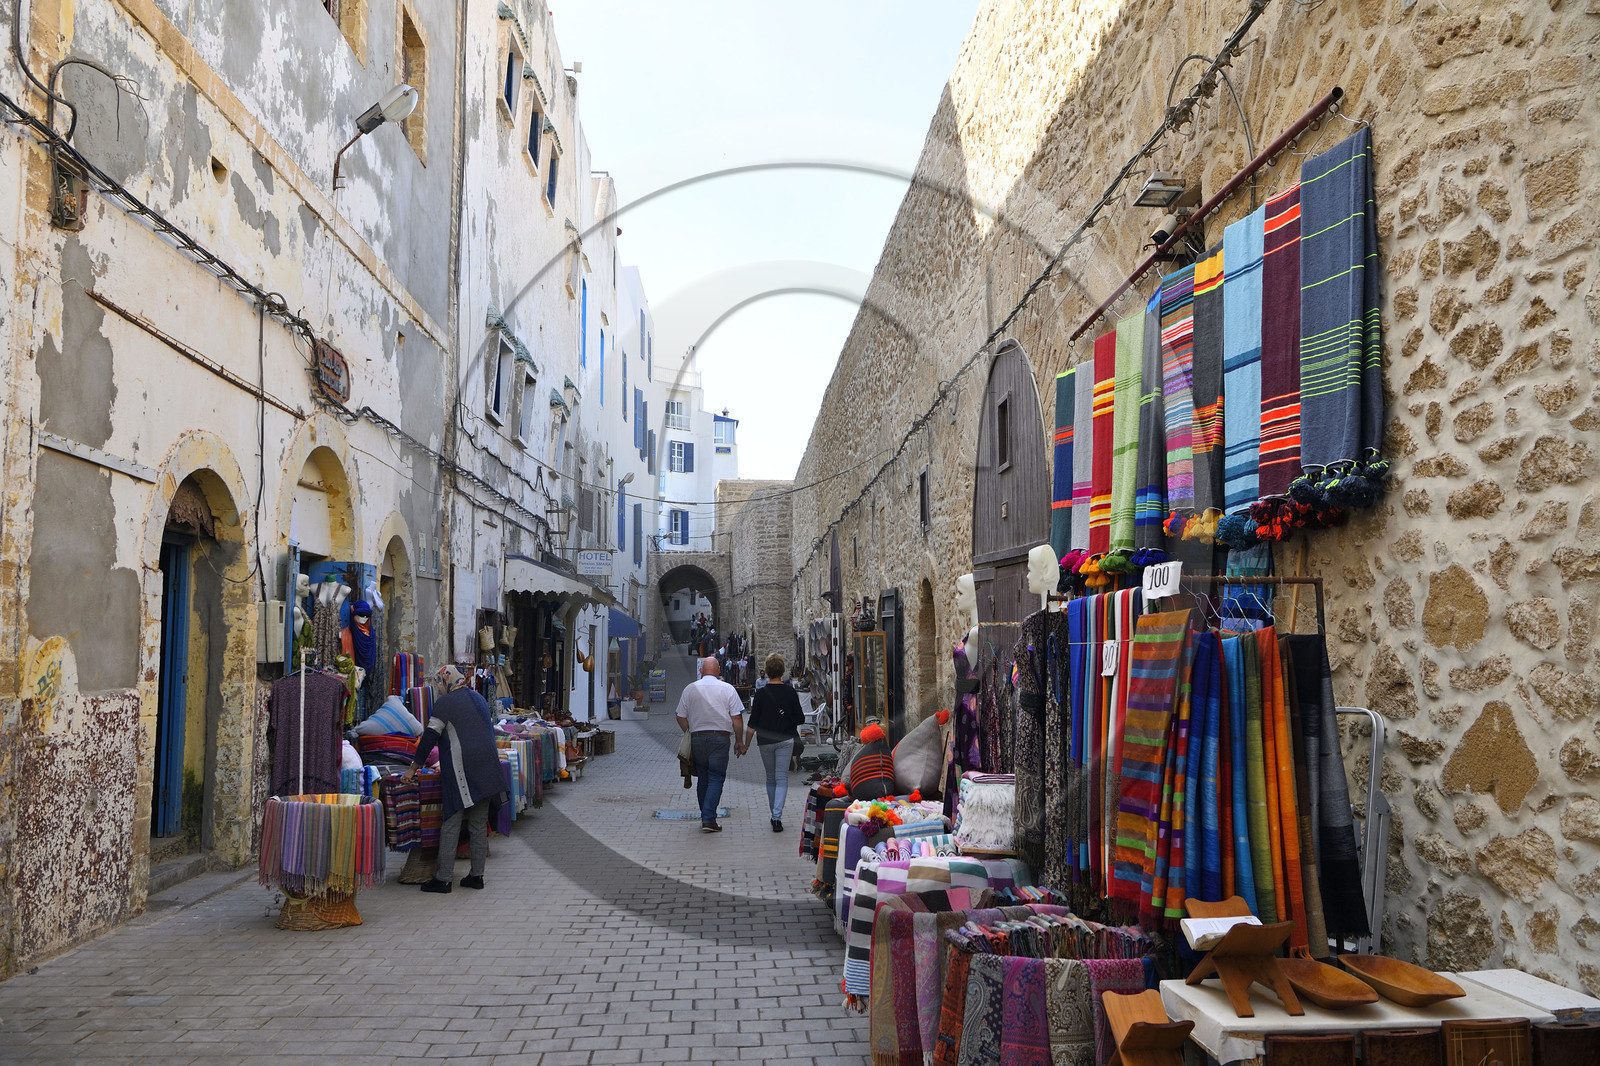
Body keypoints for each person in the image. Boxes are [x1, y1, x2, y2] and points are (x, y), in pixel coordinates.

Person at [401, 665, 508, 892]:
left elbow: (429, 738)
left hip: (463, 770)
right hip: (489, 768)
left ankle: (443, 879)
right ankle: (477, 876)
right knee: (478, 824)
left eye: (439, 683)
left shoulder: (445, 704)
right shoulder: (478, 698)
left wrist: (413, 768)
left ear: (446, 681)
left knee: (451, 821)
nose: (438, 688)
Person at [675, 656, 746, 832]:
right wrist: (739, 741)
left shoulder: (690, 689)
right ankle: (708, 818)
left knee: (703, 778)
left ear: (701, 670)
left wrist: (689, 732)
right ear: (719, 670)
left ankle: (706, 816)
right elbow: (737, 718)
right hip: (720, 739)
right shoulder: (728, 689)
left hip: (698, 739)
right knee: (716, 777)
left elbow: (680, 716)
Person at [741, 653, 805, 832]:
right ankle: (777, 816)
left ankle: (774, 814)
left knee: (770, 777)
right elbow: (800, 718)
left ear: (767, 671)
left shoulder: (761, 694)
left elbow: (752, 725)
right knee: (781, 777)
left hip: (765, 741)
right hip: (785, 739)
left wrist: (745, 745)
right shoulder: (790, 692)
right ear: (782, 671)